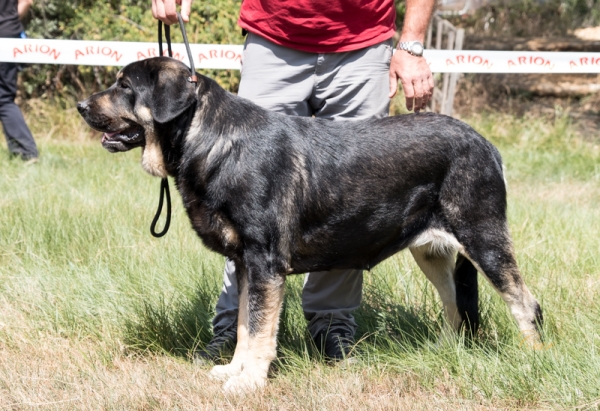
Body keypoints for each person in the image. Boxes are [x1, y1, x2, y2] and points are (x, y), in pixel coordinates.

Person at [153, 0, 435, 362]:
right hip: (273, 37)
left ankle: (331, 325)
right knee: (243, 197)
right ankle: (234, 330)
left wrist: (411, 43)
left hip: (363, 44)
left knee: (349, 198)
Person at [0, 0, 38, 163]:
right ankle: (24, 151)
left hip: (5, 35)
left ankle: (26, 151)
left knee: (3, 99)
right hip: (8, 34)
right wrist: (9, 20)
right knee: (4, 98)